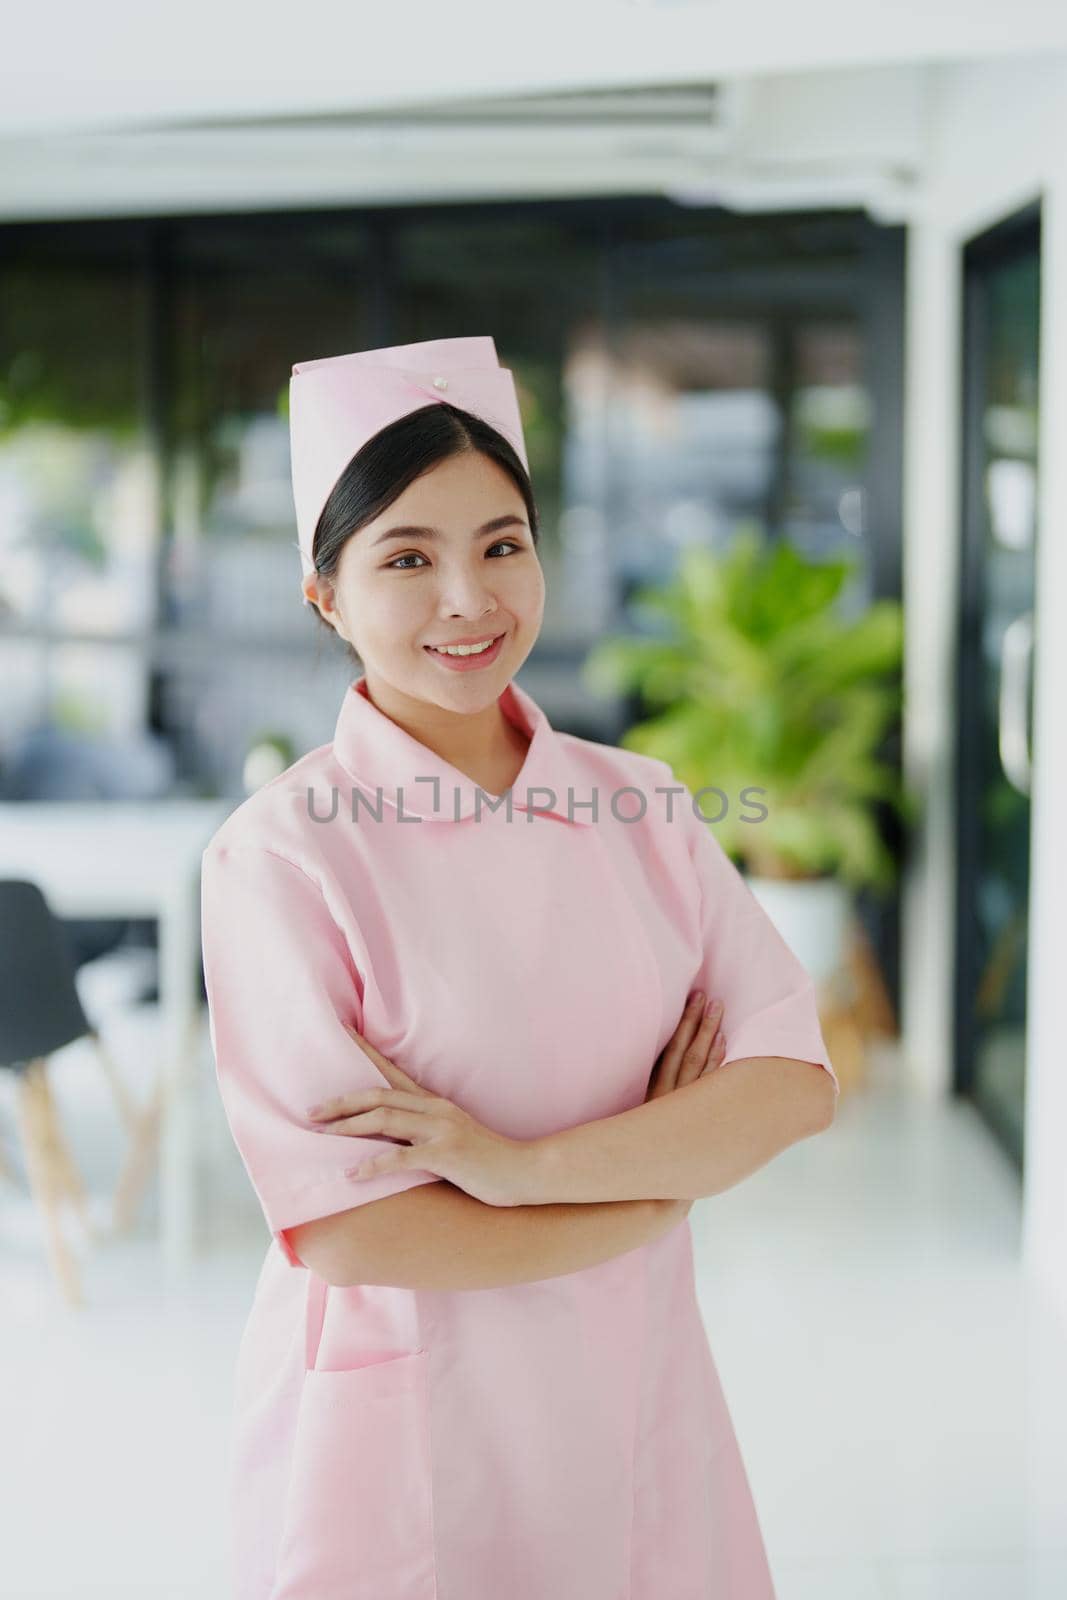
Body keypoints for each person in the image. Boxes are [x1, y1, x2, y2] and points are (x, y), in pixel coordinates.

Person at [199, 335, 839, 1600]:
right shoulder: (281, 856)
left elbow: (788, 1082)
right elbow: (350, 1223)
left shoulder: (644, 807)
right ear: (322, 595)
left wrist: (515, 1171)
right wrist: (650, 1188)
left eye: (501, 544)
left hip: (635, 1390)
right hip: (402, 1422)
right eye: (405, 558)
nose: (467, 600)